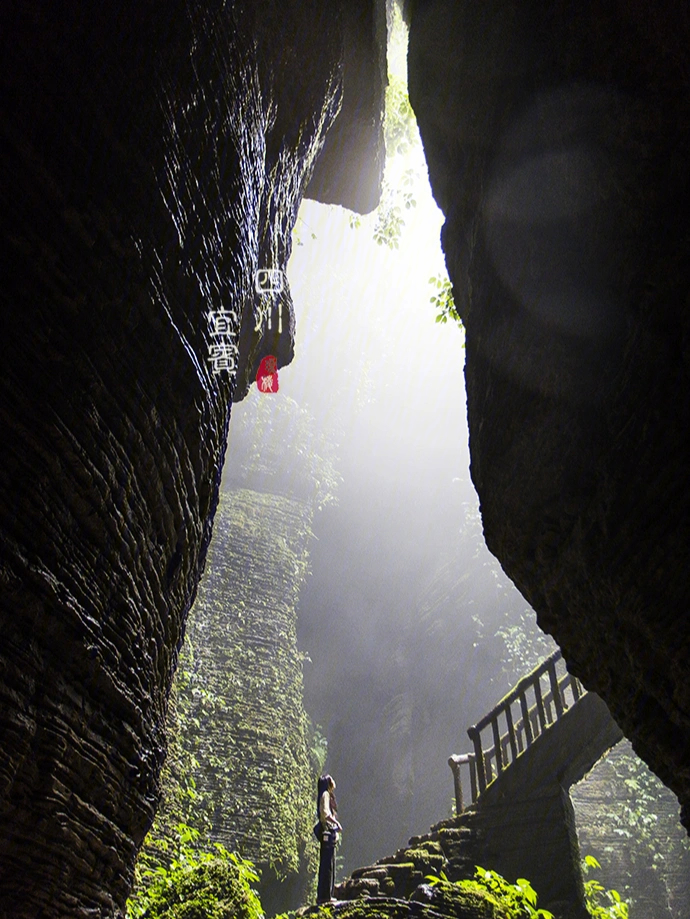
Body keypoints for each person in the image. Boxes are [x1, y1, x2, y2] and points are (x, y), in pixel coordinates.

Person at [316, 774, 342, 904]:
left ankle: (323, 895)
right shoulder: (325, 794)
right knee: (328, 865)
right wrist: (336, 824)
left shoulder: (324, 794)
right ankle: (325, 896)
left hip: (325, 834)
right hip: (328, 833)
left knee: (326, 864)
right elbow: (325, 813)